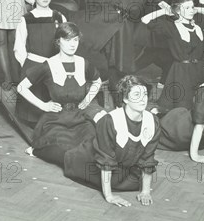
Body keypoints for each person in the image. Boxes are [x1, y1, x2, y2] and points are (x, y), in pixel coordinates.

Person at [63, 76, 160, 207]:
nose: (143, 99)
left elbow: (148, 157)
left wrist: (146, 192)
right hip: (89, 158)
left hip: (121, 165)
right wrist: (109, 196)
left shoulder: (152, 121)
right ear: (125, 99)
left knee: (133, 183)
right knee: (64, 155)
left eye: (145, 94)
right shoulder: (110, 121)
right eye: (137, 94)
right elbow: (106, 159)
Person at [18, 22, 103, 165]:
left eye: (75, 39)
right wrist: (43, 106)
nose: (72, 44)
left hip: (79, 119)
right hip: (55, 121)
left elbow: (98, 81)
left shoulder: (83, 63)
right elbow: (21, 87)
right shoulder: (48, 65)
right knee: (64, 152)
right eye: (67, 39)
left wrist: (88, 99)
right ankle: (38, 151)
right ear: (58, 41)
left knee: (93, 147)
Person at [72, 0, 152, 100]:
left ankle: (118, 97)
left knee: (120, 65)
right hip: (106, 23)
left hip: (127, 30)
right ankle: (98, 92)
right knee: (102, 60)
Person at [141, 0, 204, 113]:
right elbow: (145, 20)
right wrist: (166, 11)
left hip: (199, 69)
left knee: (203, 104)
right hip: (181, 72)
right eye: (187, 8)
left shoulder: (198, 24)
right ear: (178, 9)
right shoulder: (171, 27)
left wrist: (192, 8)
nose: (191, 10)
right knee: (183, 107)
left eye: (192, 7)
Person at [13, 0, 66, 124]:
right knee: (33, 117)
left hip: (54, 67)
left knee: (56, 112)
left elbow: (66, 43)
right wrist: (29, 66)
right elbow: (19, 47)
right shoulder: (26, 19)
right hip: (34, 67)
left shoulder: (59, 17)